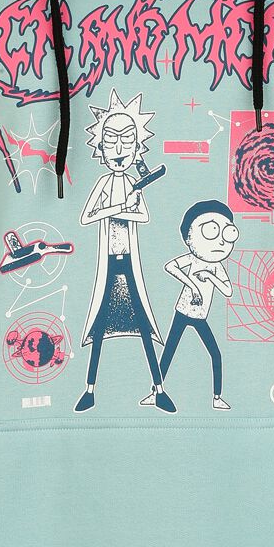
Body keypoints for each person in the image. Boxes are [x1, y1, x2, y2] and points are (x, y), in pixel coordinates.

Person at [75, 88, 175, 413]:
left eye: (127, 140)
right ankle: (89, 389)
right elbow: (87, 216)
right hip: (110, 263)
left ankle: (159, 389)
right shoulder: (104, 183)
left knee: (143, 322)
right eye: (111, 141)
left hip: (129, 263)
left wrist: (130, 205)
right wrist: (119, 207)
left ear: (137, 147)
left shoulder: (133, 181)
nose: (119, 149)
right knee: (100, 324)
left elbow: (143, 216)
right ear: (100, 146)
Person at [142, 199, 238, 410]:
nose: (221, 241)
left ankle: (217, 398)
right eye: (211, 230)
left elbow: (228, 290)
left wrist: (209, 276)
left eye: (228, 233)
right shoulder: (192, 259)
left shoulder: (216, 266)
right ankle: (155, 393)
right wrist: (193, 284)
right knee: (168, 352)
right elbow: (170, 266)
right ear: (188, 237)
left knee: (215, 354)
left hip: (201, 315)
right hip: (183, 311)